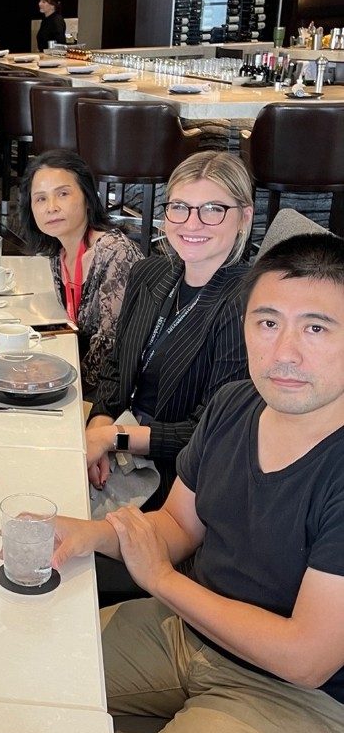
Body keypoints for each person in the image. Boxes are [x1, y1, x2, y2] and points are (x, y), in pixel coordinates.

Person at [52, 233, 344, 733]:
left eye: (315, 328)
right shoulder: (235, 404)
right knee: (32, 673)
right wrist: (85, 533)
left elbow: (307, 658)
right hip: (191, 634)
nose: (283, 351)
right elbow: (179, 526)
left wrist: (159, 581)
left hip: (297, 703)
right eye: (265, 322)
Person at [85, 151, 254, 513]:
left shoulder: (246, 305)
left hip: (177, 478)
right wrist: (96, 432)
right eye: (180, 207)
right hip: (118, 443)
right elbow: (116, 368)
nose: (192, 224)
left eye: (212, 209)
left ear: (244, 217)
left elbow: (212, 430)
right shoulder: (150, 274)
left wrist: (113, 438)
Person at [20, 150, 142, 399]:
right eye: (40, 199)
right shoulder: (59, 253)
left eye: (63, 194)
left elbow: (111, 350)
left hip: (123, 394)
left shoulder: (114, 252)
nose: (51, 208)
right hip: (89, 383)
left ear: (87, 198)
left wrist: (55, 385)